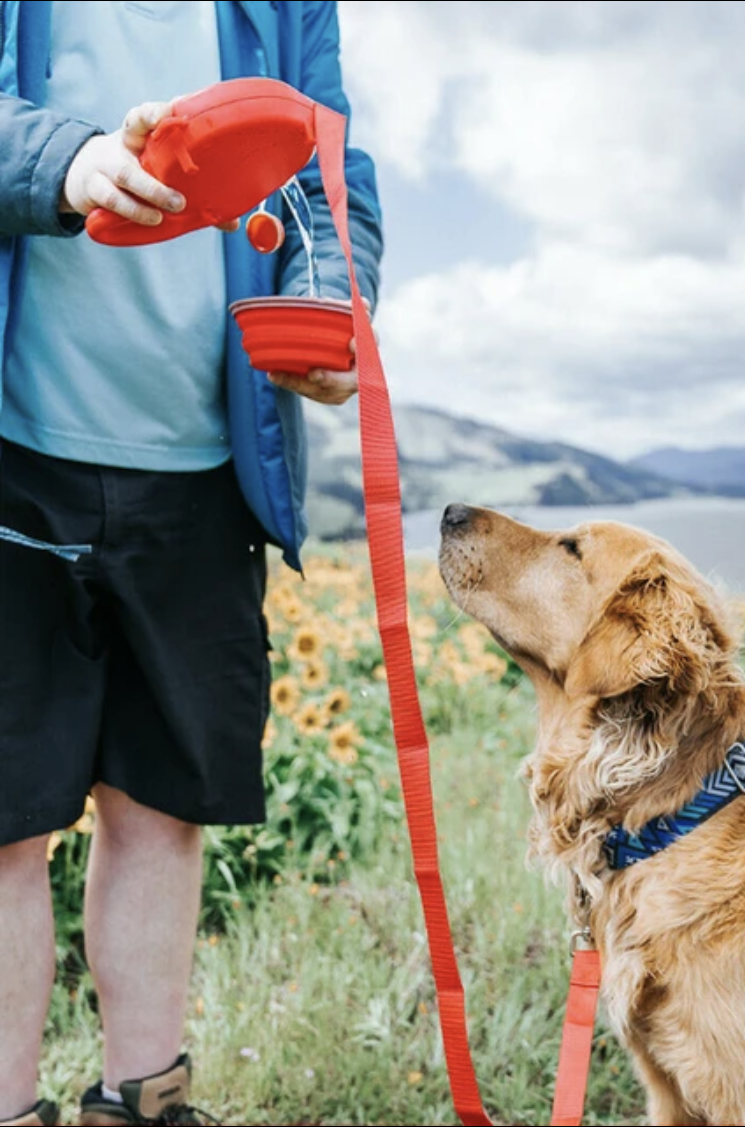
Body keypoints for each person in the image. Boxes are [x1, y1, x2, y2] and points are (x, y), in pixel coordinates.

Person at [0, 3, 382, 1125]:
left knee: (164, 808)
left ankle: (145, 1102)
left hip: (209, 467)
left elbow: (328, 169)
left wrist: (331, 298)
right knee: (7, 823)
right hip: (15, 456)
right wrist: (66, 159)